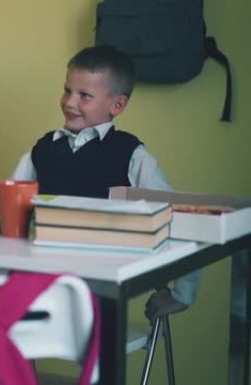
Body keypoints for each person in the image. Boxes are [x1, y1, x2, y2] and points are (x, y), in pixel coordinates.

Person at [12, 45, 199, 323]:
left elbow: (179, 213)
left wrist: (183, 292)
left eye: (84, 95)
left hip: (103, 289)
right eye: (67, 90)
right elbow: (11, 205)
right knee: (8, 316)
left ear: (117, 105)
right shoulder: (42, 149)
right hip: (40, 280)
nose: (69, 102)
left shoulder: (130, 154)